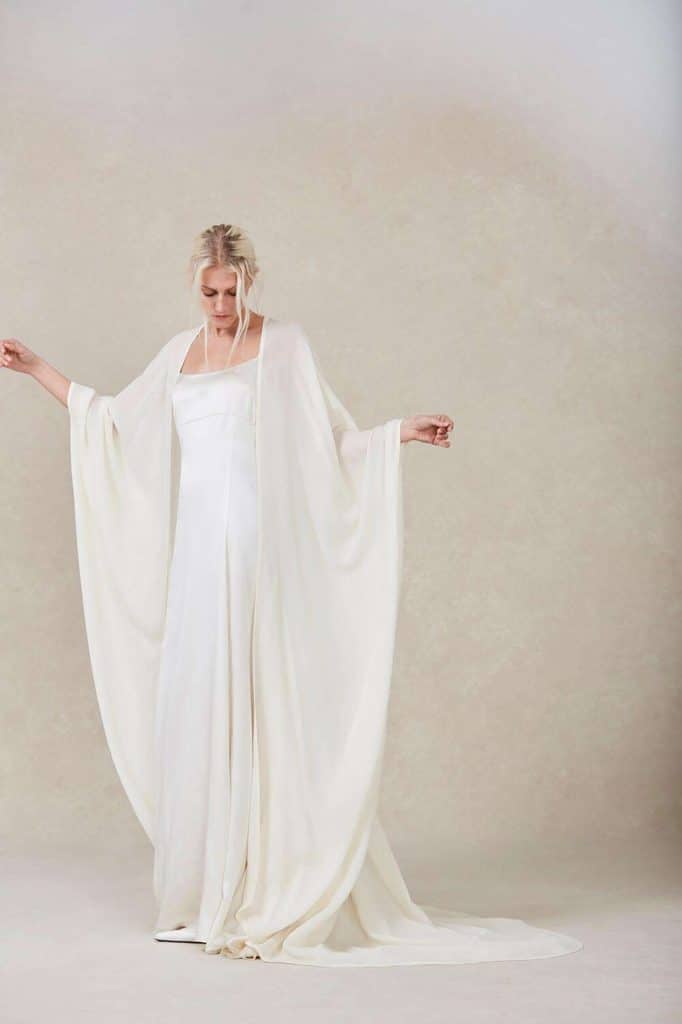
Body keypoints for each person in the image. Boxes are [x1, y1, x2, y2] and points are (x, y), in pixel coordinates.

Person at [0, 223, 582, 967]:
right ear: (194, 288)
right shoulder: (178, 354)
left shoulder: (285, 347)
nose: (220, 306)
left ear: (250, 283)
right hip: (197, 557)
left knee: (262, 705)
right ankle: (205, 894)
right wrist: (36, 368)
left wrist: (397, 433)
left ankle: (264, 885)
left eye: (231, 291)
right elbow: (111, 421)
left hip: (258, 551)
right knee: (199, 706)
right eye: (209, 293)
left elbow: (329, 443)